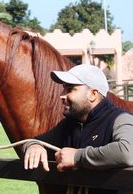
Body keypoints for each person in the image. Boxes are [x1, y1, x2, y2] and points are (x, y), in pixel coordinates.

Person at [23, 64, 133, 194]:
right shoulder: (69, 124)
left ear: (93, 94)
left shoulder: (120, 119)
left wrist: (77, 157)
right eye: (64, 89)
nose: (62, 96)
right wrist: (33, 146)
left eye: (70, 89)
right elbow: (33, 142)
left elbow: (127, 152)